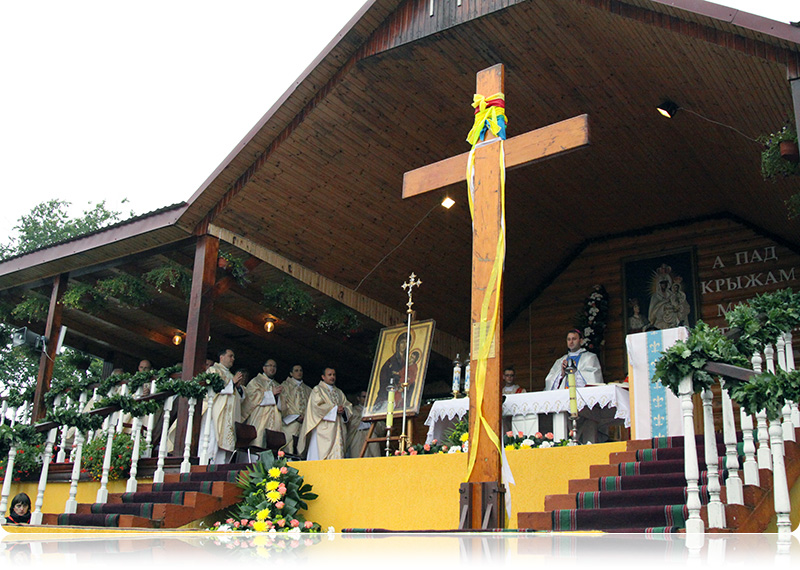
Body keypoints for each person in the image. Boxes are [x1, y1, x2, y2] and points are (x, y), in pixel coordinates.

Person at [299, 367, 354, 460]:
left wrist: (344, 410)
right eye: (329, 375)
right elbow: (316, 407)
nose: (332, 377)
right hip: (324, 430)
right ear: (323, 377)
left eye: (334, 375)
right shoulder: (318, 390)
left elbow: (348, 405)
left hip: (338, 428)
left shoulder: (339, 392)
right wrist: (334, 409)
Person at [204, 348, 245, 464]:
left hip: (229, 417)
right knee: (213, 440)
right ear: (221, 357)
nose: (233, 359)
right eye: (230, 356)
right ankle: (208, 466)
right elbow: (214, 390)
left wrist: (237, 387)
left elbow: (240, 398)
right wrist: (232, 383)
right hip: (216, 414)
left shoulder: (231, 375)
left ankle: (222, 469)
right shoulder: (213, 370)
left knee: (226, 447)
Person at [242, 359, 283, 443]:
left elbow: (283, 406)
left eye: (274, 366)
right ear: (264, 368)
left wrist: (277, 397)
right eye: (270, 366)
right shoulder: (256, 381)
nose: (272, 368)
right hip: (259, 418)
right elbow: (252, 398)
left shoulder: (277, 385)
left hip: (274, 421)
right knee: (258, 442)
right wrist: (271, 393)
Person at [279, 364, 312, 456]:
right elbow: (284, 403)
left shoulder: (308, 389)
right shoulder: (285, 386)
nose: (299, 372)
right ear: (291, 373)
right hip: (290, 422)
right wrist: (296, 416)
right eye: (296, 370)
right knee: (289, 447)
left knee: (303, 446)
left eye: (301, 370)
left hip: (304, 423)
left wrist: (305, 417)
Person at [345, 390, 384, 458]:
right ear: (358, 398)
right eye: (364, 397)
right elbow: (351, 424)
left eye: (368, 397)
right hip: (358, 436)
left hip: (371, 435)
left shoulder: (374, 410)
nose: (366, 399)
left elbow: (381, 425)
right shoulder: (353, 410)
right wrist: (362, 418)